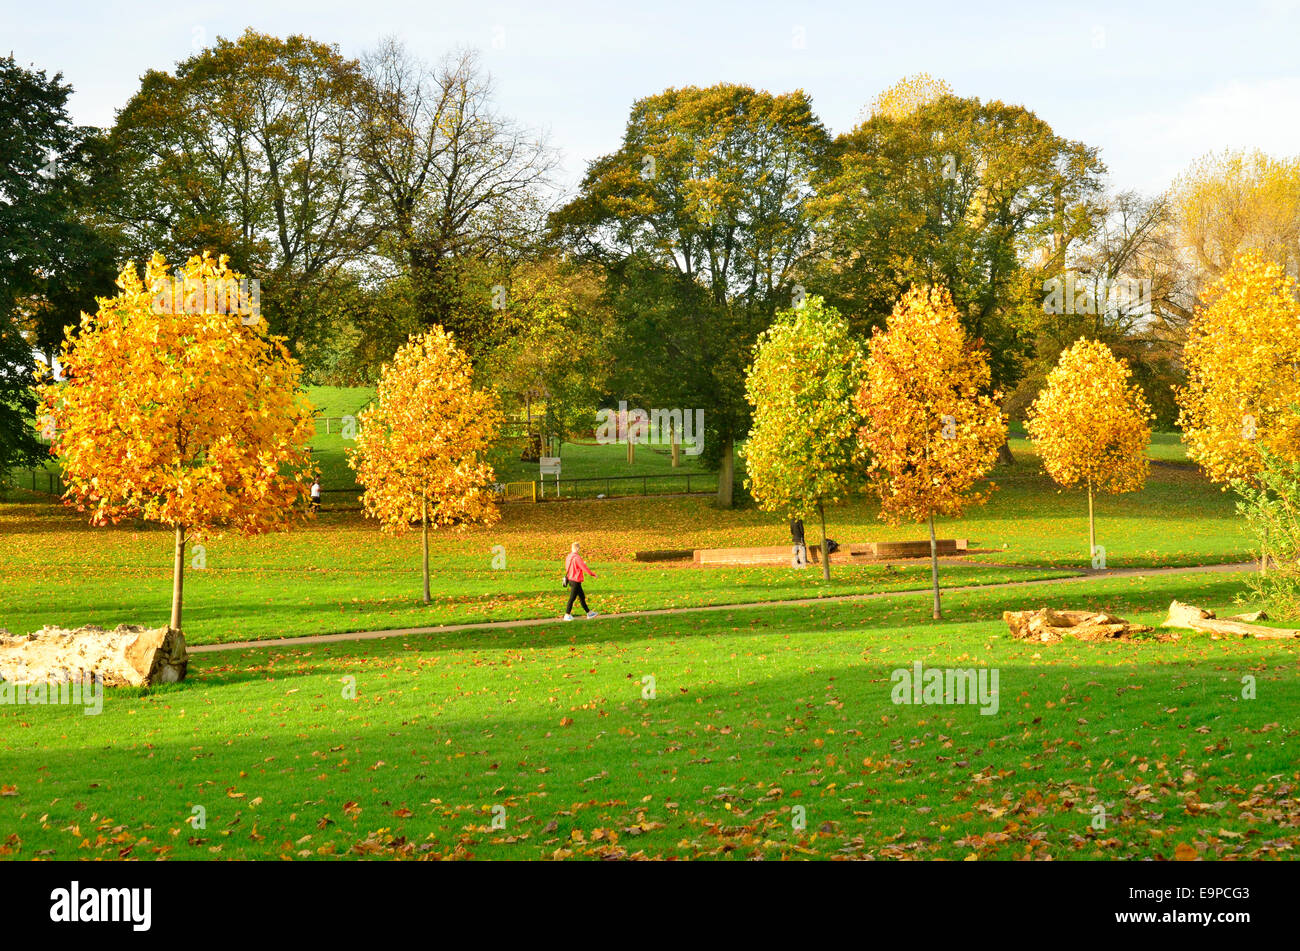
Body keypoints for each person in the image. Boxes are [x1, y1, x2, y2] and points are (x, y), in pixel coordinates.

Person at [563, 542, 598, 620]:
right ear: (577, 548)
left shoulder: (568, 556)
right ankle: (567, 614)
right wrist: (593, 574)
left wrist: (580, 564)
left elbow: (570, 566)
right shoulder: (577, 557)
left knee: (582, 597)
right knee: (572, 598)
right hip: (575, 580)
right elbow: (584, 568)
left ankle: (589, 613)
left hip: (570, 579)